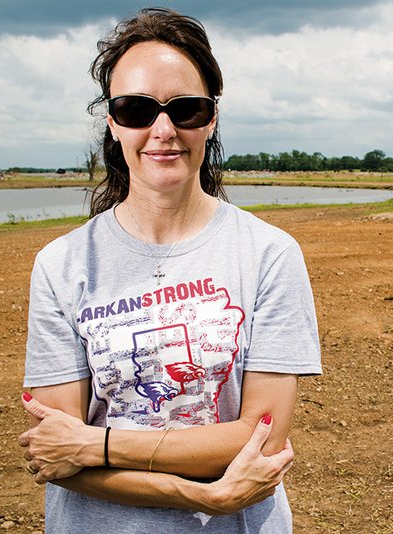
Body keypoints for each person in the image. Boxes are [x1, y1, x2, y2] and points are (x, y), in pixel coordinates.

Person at [17, 7, 321, 532]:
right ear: (111, 122)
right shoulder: (60, 265)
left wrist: (96, 444)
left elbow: (261, 440)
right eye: (136, 109)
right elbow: (55, 456)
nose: (162, 129)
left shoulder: (269, 253)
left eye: (186, 108)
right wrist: (202, 492)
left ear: (212, 117)